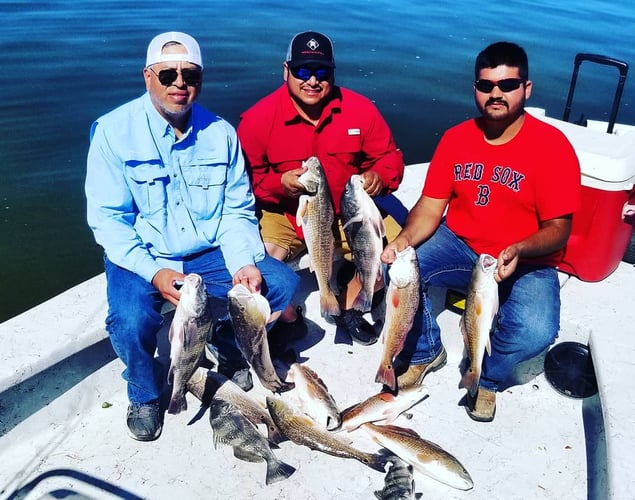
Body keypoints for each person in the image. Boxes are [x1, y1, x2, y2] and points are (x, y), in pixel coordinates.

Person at [85, 32, 299, 442]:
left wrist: (242, 262)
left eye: (190, 74)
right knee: (130, 320)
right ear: (148, 77)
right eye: (168, 74)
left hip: (208, 252)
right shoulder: (112, 132)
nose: (179, 83)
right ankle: (145, 393)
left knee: (281, 285)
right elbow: (109, 222)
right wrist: (154, 273)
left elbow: (235, 211)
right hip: (142, 253)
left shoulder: (221, 133)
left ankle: (226, 341)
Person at [381, 41, 581, 422]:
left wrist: (521, 248)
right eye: (486, 85)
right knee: (406, 268)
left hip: (526, 258)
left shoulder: (552, 147)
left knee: (537, 329)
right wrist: (403, 241)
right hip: (462, 244)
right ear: (475, 88)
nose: (496, 94)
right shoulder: (456, 139)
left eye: (507, 85)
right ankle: (425, 352)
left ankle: (486, 378)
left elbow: (559, 230)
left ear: (527, 88)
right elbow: (429, 206)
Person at [237, 31, 404, 345]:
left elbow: (390, 159)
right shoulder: (258, 120)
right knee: (259, 267)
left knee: (402, 256)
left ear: (332, 74)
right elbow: (245, 183)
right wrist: (280, 184)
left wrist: (378, 177)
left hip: (348, 211)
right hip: (284, 213)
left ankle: (351, 300)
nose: (312, 80)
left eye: (321, 72)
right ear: (286, 70)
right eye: (302, 71)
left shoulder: (361, 110)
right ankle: (288, 318)